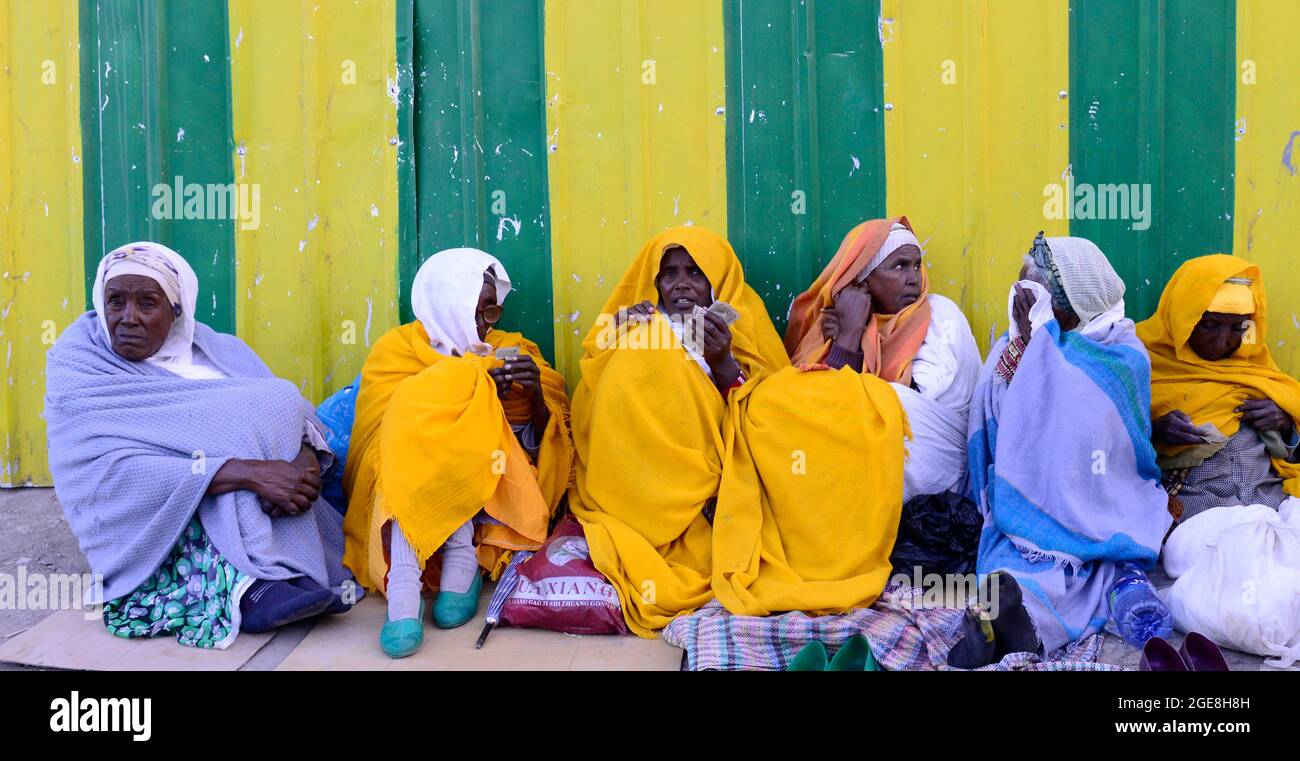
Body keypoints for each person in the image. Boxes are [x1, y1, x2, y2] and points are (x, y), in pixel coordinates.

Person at [45, 242, 354, 649]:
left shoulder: (215, 349)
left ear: (176, 311)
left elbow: (291, 411)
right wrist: (248, 472)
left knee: (266, 409)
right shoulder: (80, 363)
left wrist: (302, 464)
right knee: (215, 459)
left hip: (270, 497)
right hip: (152, 514)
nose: (127, 319)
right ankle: (249, 588)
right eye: (115, 302)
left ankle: (286, 567)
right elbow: (102, 471)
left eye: (147, 303)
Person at [712, 218, 983, 617]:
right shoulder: (837, 324)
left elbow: (903, 414)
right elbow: (813, 412)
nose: (913, 278)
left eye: (916, 265)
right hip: (869, 456)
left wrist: (848, 348)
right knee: (774, 403)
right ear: (863, 281)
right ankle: (817, 553)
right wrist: (847, 343)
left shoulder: (941, 318)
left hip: (930, 466)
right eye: (898, 266)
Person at [952, 233, 1172, 668]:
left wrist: (1042, 351)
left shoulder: (1122, 355)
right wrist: (1030, 351)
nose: (1020, 303)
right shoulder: (1015, 348)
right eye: (1019, 291)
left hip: (1103, 506)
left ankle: (1020, 632)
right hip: (1024, 517)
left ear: (1075, 306)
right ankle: (1014, 627)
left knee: (1102, 569)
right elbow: (999, 436)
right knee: (1012, 574)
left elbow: (1089, 439)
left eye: (1034, 297)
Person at [342, 248, 571, 658]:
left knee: (468, 425)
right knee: (419, 415)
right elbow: (376, 440)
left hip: (484, 493)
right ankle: (404, 588)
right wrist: (460, 393)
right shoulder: (396, 351)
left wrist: (530, 398)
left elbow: (537, 448)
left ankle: (461, 564)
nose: (486, 324)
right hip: (400, 490)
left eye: (493, 311)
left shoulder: (512, 351)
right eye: (478, 310)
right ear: (448, 302)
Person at [567, 226, 788, 637]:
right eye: (669, 274)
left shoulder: (740, 327)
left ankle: (677, 520)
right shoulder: (637, 324)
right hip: (633, 473)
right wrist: (620, 333)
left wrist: (722, 361)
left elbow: (768, 411)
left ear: (716, 282)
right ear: (655, 282)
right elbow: (594, 396)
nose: (682, 283)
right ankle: (640, 516)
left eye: (695, 272)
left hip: (705, 461)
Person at [1137, 254, 1300, 524]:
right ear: (1182, 317)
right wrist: (1153, 431)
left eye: (1238, 328)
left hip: (1273, 502)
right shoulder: (1140, 361)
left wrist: (1285, 427)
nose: (1222, 341)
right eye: (1209, 325)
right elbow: (1105, 447)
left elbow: (1292, 455)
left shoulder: (1255, 365)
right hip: (1200, 512)